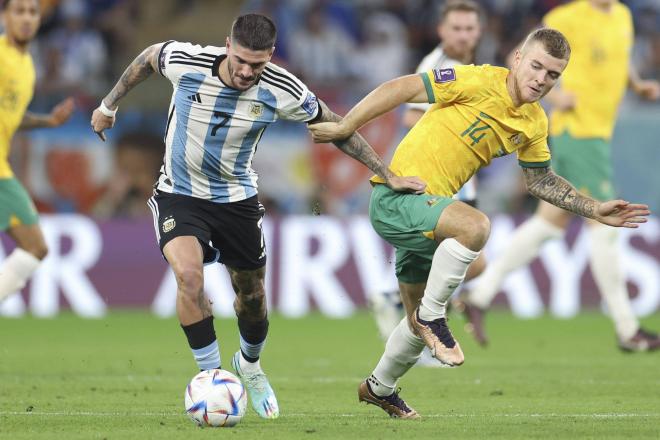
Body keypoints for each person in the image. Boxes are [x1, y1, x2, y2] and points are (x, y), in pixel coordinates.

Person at [90, 13, 423, 420]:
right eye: (241, 61)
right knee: (189, 277)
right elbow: (147, 57)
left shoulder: (282, 89)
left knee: (251, 296)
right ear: (228, 46)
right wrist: (108, 105)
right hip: (179, 193)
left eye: (258, 64)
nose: (247, 72)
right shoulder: (187, 61)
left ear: (270, 57)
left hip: (237, 199)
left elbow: (338, 128)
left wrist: (386, 174)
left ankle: (248, 365)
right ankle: (213, 379)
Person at [309, 28, 650, 419]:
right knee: (474, 227)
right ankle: (434, 315)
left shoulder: (535, 122)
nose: (541, 79)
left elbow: (539, 180)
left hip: (430, 212)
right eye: (536, 66)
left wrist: (593, 209)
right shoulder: (477, 79)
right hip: (396, 198)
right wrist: (347, 125)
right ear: (518, 58)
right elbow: (403, 87)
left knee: (413, 327)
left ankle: (379, 387)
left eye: (553, 74)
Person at [459, 0, 660, 352]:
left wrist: (637, 83)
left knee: (548, 224)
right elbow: (517, 59)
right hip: (578, 133)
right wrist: (556, 97)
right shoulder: (566, 18)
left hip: (598, 131)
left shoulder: (623, 16)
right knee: (606, 221)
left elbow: (619, 57)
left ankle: (479, 295)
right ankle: (627, 329)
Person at [368, 0, 485, 368]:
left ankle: (415, 320)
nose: (464, 35)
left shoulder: (473, 69)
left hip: (461, 180)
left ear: (478, 31)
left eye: (470, 28)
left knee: (458, 262)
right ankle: (407, 308)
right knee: (471, 262)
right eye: (457, 28)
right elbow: (411, 119)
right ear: (442, 31)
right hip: (437, 179)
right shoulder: (437, 68)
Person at [0, 0, 74, 305]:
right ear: (5, 16)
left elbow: (13, 114)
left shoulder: (28, 66)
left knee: (36, 247)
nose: (27, 18)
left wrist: (48, 121)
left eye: (32, 12)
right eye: (19, 11)